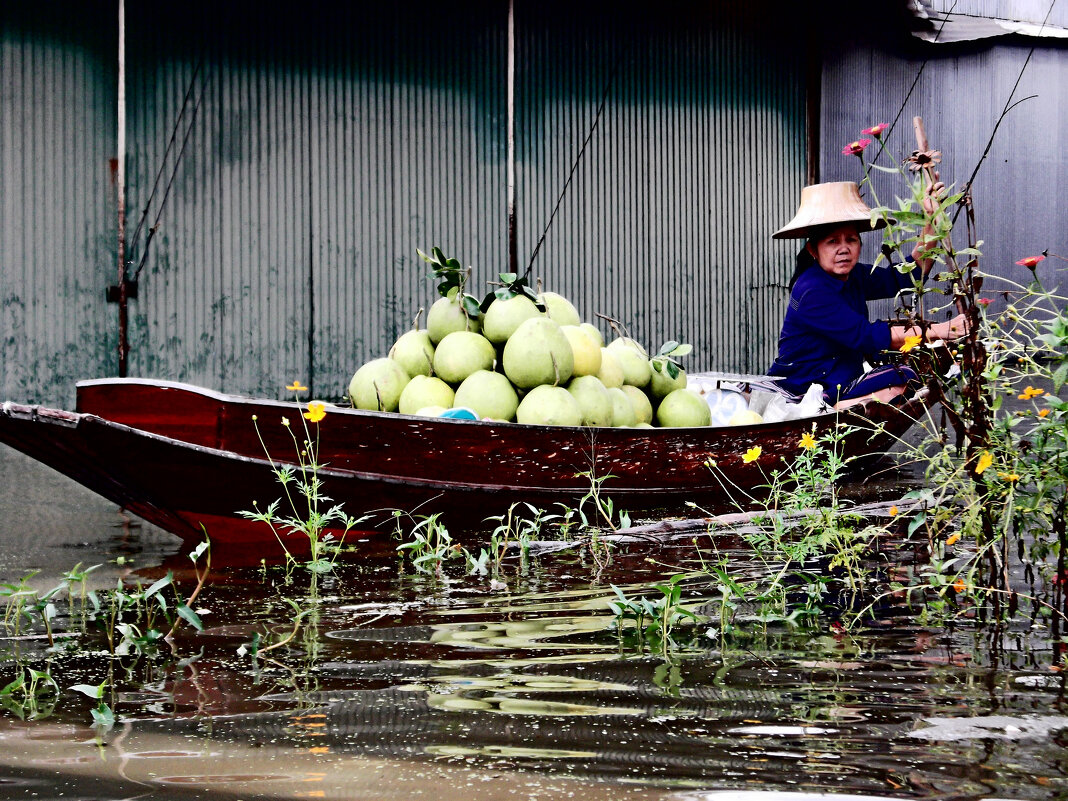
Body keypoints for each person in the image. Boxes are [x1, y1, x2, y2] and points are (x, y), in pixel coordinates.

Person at [768, 181, 967, 408]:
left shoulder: (854, 275)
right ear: (813, 250)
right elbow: (867, 336)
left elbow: (906, 277)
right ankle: (828, 410)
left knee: (905, 377)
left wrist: (931, 221)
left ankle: (838, 406)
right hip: (803, 386)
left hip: (838, 379)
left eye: (851, 240)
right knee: (900, 377)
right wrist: (943, 330)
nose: (844, 249)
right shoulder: (812, 290)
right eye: (832, 241)